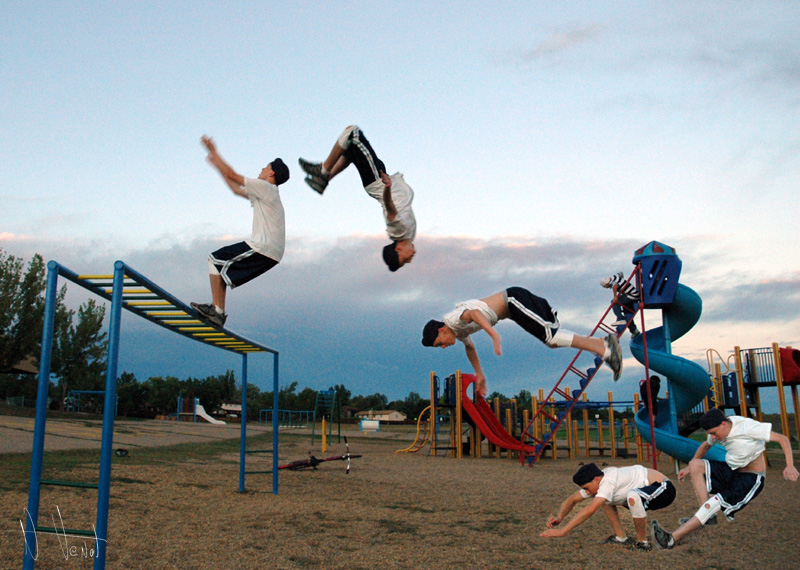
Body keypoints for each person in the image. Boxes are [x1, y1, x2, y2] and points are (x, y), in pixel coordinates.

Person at [420, 287, 623, 396]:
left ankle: (605, 347)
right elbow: (470, 349)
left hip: (513, 301)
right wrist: (479, 374)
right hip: (513, 310)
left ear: (442, 329)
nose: (445, 346)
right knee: (551, 341)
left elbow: (473, 313)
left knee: (551, 337)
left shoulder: (453, 319)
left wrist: (493, 335)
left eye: (441, 343)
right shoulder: (457, 331)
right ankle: (602, 345)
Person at [650, 408, 799, 549]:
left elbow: (782, 439)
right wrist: (689, 468)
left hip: (751, 478)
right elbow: (704, 446)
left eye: (714, 433)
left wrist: (790, 465)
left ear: (723, 424)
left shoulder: (747, 427)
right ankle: (708, 516)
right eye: (711, 434)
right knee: (695, 464)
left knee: (714, 502)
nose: (713, 437)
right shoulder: (717, 430)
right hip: (732, 471)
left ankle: (671, 539)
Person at [191, 135, 289, 327]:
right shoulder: (266, 194)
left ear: (271, 174)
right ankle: (217, 310)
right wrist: (218, 167)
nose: (261, 169)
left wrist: (214, 151)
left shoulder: (266, 188)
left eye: (265, 167)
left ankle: (217, 311)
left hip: (264, 248)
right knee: (215, 262)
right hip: (271, 251)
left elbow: (233, 175)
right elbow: (235, 188)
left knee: (215, 259)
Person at [298, 125, 416, 272]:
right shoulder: (409, 235)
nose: (410, 260)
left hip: (377, 181)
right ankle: (324, 179)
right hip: (379, 179)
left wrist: (387, 187)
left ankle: (323, 170)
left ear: (398, 249)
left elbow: (390, 208)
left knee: (353, 133)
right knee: (350, 150)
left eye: (405, 260)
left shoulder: (399, 232)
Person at [541, 462, 676, 551]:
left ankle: (643, 543)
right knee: (604, 499)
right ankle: (620, 537)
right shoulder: (599, 481)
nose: (587, 492)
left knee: (632, 496)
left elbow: (590, 509)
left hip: (664, 489)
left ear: (596, 479)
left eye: (587, 488)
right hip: (645, 493)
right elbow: (572, 499)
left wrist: (563, 531)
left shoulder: (607, 481)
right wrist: (560, 517)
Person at [600, 271, 640, 336]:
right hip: (630, 295)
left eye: (605, 287)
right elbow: (620, 273)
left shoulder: (613, 282)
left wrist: (615, 296)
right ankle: (634, 331)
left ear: (606, 284)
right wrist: (622, 281)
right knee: (628, 316)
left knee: (614, 302)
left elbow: (615, 285)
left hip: (631, 296)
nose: (606, 288)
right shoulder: (614, 277)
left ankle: (621, 318)